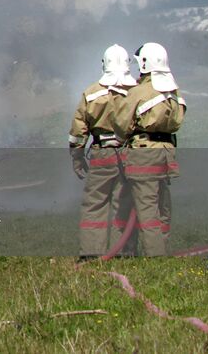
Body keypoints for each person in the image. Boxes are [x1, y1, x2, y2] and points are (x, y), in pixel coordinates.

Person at [110, 42, 186, 257]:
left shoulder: (139, 92)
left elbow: (120, 125)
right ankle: (160, 250)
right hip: (166, 155)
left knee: (146, 211)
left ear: (144, 63)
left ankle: (155, 258)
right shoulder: (173, 92)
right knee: (163, 211)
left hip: (143, 156)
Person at [69, 44, 136, 260]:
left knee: (95, 203)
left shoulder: (91, 94)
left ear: (103, 64)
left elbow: (79, 131)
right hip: (129, 153)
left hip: (101, 154)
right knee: (124, 203)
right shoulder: (137, 92)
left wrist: (77, 158)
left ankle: (91, 253)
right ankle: (124, 251)